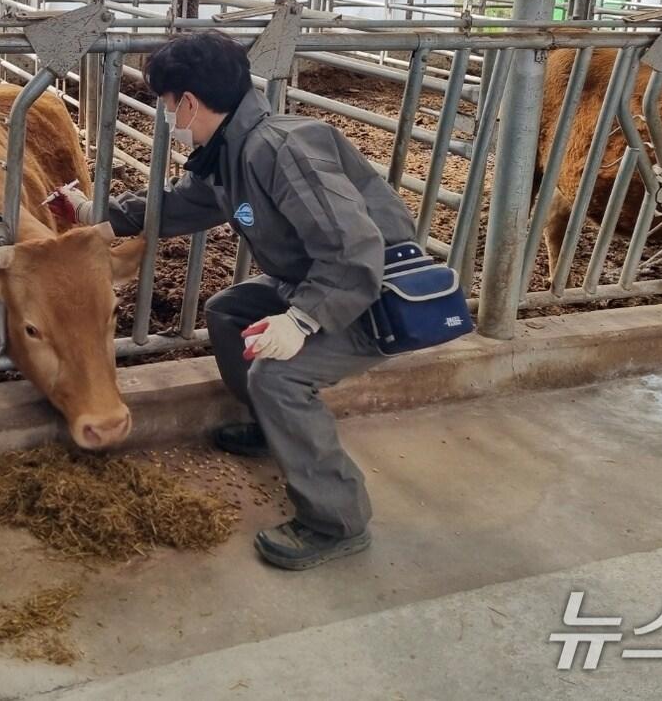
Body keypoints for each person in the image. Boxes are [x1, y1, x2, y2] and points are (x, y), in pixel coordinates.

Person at [47, 30, 417, 570]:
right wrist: (93, 216)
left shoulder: (281, 150)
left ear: (189, 103)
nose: (169, 117)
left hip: (369, 297)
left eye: (168, 105)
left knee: (278, 375)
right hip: (316, 281)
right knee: (228, 311)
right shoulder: (232, 151)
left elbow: (355, 251)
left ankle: (336, 521)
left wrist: (301, 321)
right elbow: (181, 205)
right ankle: (275, 430)